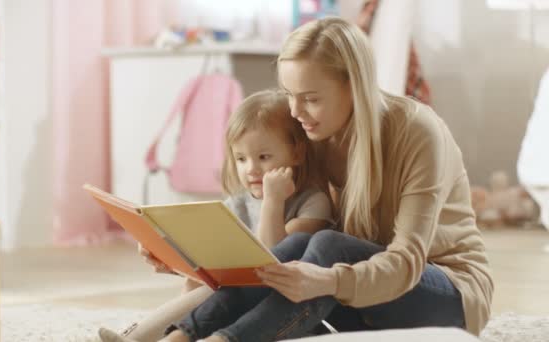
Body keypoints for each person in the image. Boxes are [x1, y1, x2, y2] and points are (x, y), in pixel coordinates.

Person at [160, 17, 494, 342]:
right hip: (359, 293)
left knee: (328, 244)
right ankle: (178, 337)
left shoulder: (418, 132)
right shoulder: (313, 136)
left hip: (445, 293)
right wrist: (182, 258)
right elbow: (279, 247)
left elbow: (406, 263)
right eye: (289, 95)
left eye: (310, 98)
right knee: (296, 249)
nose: (294, 111)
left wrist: (329, 282)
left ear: (354, 86)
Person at [98, 89, 335, 342]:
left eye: (264, 157)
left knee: (217, 290)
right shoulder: (238, 203)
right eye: (241, 159)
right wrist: (172, 259)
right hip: (229, 303)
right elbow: (214, 265)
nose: (251, 169)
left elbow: (276, 259)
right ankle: (155, 334)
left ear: (297, 153)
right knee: (199, 285)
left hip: (274, 312)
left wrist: (273, 201)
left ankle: (140, 337)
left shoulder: (313, 202)